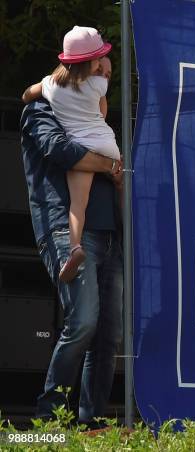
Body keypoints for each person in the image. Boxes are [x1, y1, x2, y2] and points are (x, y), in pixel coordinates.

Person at [20, 31, 124, 426]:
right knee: (82, 323)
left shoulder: (90, 111)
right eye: (98, 66)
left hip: (109, 230)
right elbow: (60, 152)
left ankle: (89, 421)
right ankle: (47, 422)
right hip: (66, 228)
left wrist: (113, 174)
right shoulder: (40, 110)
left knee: (107, 335)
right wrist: (106, 164)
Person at [22, 26, 121, 283]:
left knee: (78, 204)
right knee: (123, 184)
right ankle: (123, 234)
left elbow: (26, 95)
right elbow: (101, 114)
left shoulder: (51, 86)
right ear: (91, 62)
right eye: (99, 60)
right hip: (106, 144)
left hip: (80, 149)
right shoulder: (99, 85)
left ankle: (75, 247)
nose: (101, 65)